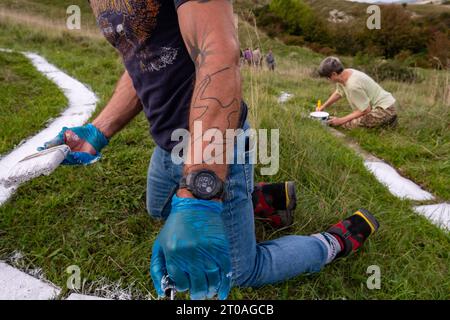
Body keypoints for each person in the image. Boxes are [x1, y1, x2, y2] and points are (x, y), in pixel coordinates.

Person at [40, 1, 379, 300]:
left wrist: (199, 196)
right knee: (158, 210)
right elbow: (142, 61)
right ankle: (259, 199)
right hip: (167, 145)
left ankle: (334, 241)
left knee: (241, 271)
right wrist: (98, 131)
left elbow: (216, 52)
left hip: (216, 146)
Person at [317, 56, 398, 129]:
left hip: (385, 109)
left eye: (328, 77)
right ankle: (385, 122)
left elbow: (366, 110)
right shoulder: (345, 73)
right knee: (345, 120)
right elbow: (339, 92)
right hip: (381, 106)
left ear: (334, 74)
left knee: (347, 125)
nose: (328, 80)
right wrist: (323, 106)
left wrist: (341, 120)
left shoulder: (353, 86)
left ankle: (388, 121)